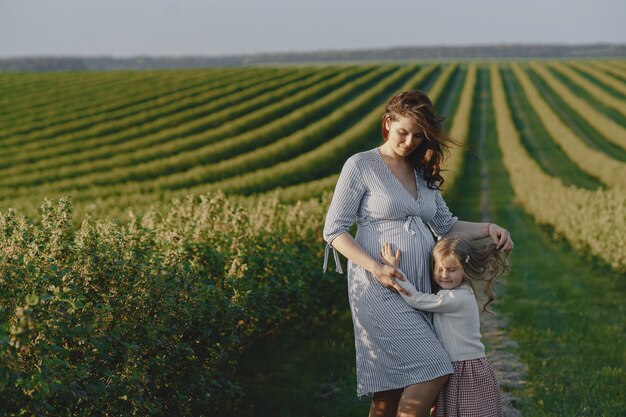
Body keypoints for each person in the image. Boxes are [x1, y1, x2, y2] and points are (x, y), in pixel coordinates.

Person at [322, 90, 514, 417]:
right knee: (434, 367)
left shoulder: (421, 171)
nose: (409, 141)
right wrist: (376, 268)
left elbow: (446, 224)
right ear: (387, 124)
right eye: (402, 132)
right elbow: (334, 230)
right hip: (379, 285)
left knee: (391, 388)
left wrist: (488, 228)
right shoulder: (361, 165)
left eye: (418, 135)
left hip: (423, 285)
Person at [380, 238, 510, 417]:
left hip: (464, 369)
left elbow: (415, 299)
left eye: (451, 269)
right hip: (462, 365)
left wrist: (394, 270)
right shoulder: (459, 292)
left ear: (464, 270)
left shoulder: (456, 299)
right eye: (439, 269)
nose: (444, 275)